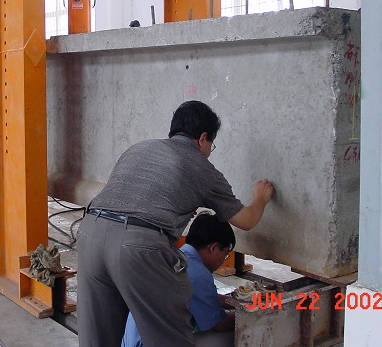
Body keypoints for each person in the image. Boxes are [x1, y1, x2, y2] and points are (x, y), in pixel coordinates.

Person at [76, 100, 274, 347]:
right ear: (203, 138)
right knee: (168, 337)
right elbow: (246, 220)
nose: (209, 151)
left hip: (90, 234)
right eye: (211, 145)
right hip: (138, 246)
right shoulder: (201, 167)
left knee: (99, 337)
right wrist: (260, 199)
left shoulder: (138, 148)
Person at [122, 214, 236, 347]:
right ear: (214, 248)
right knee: (230, 336)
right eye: (225, 254)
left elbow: (200, 296)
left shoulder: (175, 256)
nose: (223, 260)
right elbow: (219, 324)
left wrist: (238, 303)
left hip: (133, 341)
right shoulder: (199, 274)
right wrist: (247, 316)